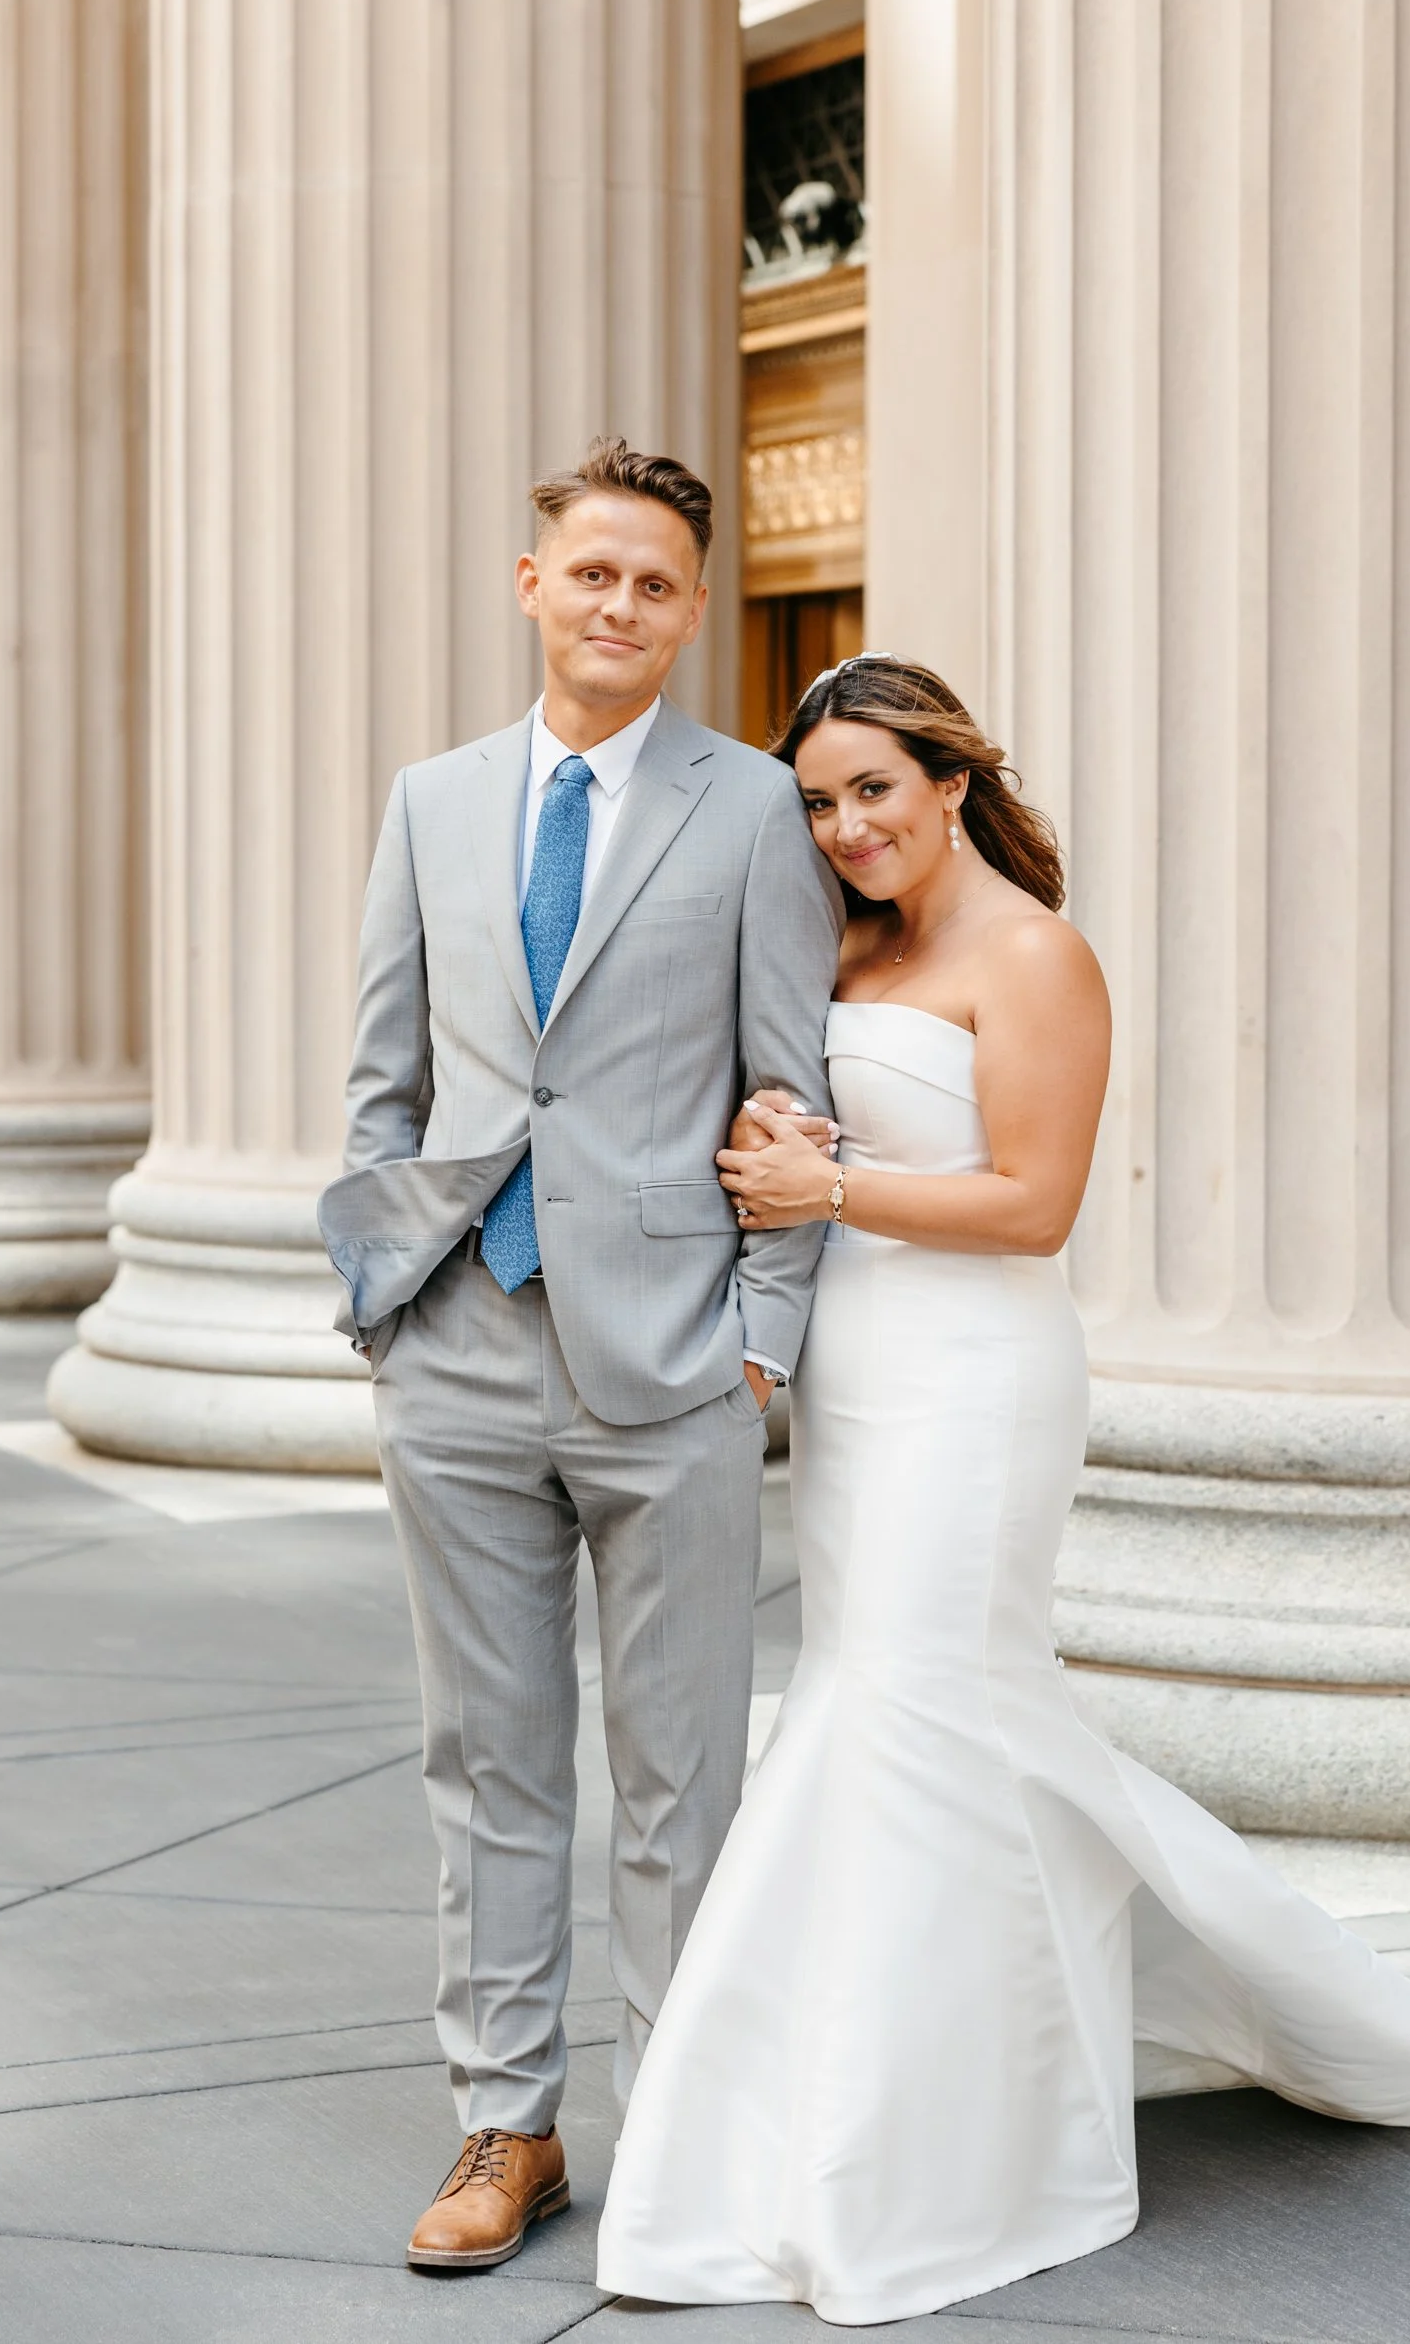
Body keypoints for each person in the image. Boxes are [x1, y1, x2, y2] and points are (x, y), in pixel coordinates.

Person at [595, 653, 1410, 2327]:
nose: (845, 827)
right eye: (817, 803)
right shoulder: (840, 946)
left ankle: (940, 2148)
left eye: (872, 790)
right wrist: (774, 1141)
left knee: (912, 1709)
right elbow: (801, 1137)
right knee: (926, 1715)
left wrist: (831, 1179)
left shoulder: (1034, 954)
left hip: (976, 1382)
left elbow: (1035, 1204)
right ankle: (945, 2095)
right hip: (858, 1377)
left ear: (951, 781)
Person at [319, 439, 841, 2274]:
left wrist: (760, 1347)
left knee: (682, 1772)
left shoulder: (750, 808)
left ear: (694, 615)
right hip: (458, 1341)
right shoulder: (432, 801)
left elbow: (795, 1088)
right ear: (531, 584)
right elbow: (389, 1076)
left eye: (656, 584)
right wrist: (380, 1301)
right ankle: (505, 2126)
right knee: (489, 1756)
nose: (619, 603)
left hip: (676, 1360)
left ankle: (687, 2129)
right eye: (591, 571)